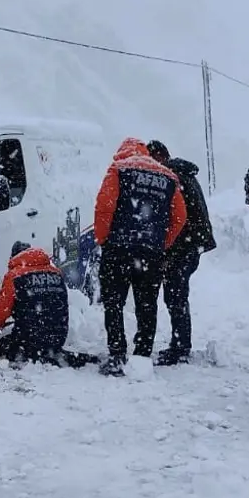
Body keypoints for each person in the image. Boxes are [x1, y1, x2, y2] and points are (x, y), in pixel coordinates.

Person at [93, 137, 187, 377]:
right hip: (151, 254)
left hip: (118, 249)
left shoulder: (118, 169)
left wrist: (104, 239)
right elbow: (180, 217)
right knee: (147, 304)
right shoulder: (167, 176)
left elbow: (104, 207)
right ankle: (143, 353)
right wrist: (160, 243)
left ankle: (117, 353)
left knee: (114, 303)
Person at [146, 141, 216, 365]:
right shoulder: (182, 174)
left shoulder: (175, 178)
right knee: (176, 295)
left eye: (152, 160)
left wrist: (167, 252)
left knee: (175, 296)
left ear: (160, 157)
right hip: (191, 244)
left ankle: (181, 347)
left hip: (185, 246)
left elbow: (179, 221)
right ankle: (180, 343)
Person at [0, 241, 69, 364]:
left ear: (14, 257)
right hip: (58, 338)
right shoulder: (56, 273)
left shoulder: (14, 276)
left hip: (29, 340)